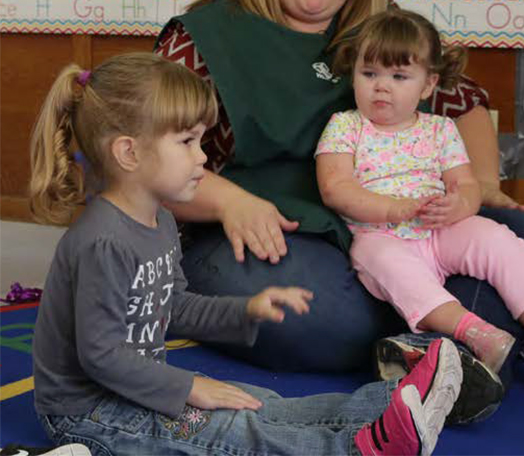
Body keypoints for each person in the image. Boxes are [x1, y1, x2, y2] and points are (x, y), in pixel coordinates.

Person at [154, 0, 524, 387]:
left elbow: (465, 100)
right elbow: (154, 163)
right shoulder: (201, 37)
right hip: (262, 231)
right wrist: (227, 201)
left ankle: (425, 344)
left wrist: (483, 184)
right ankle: (479, 332)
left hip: (392, 224)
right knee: (327, 317)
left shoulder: (377, 23)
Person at [29, 52, 462, 456]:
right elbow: (101, 356)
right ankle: (358, 447)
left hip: (134, 388)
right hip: (89, 414)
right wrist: (188, 388)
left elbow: (173, 305)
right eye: (186, 142)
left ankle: (395, 403)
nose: (202, 157)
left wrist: (244, 311)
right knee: (229, 431)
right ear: (128, 152)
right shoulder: (103, 242)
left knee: (257, 403)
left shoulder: (159, 220)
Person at [315, 9, 524, 395]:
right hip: (384, 235)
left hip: (441, 227)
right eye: (369, 74)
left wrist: (459, 205)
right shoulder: (345, 126)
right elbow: (336, 188)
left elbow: (466, 185)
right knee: (382, 262)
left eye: (398, 77)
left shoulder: (439, 128)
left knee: (503, 243)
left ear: (427, 85)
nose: (381, 87)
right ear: (354, 75)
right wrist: (394, 208)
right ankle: (477, 333)